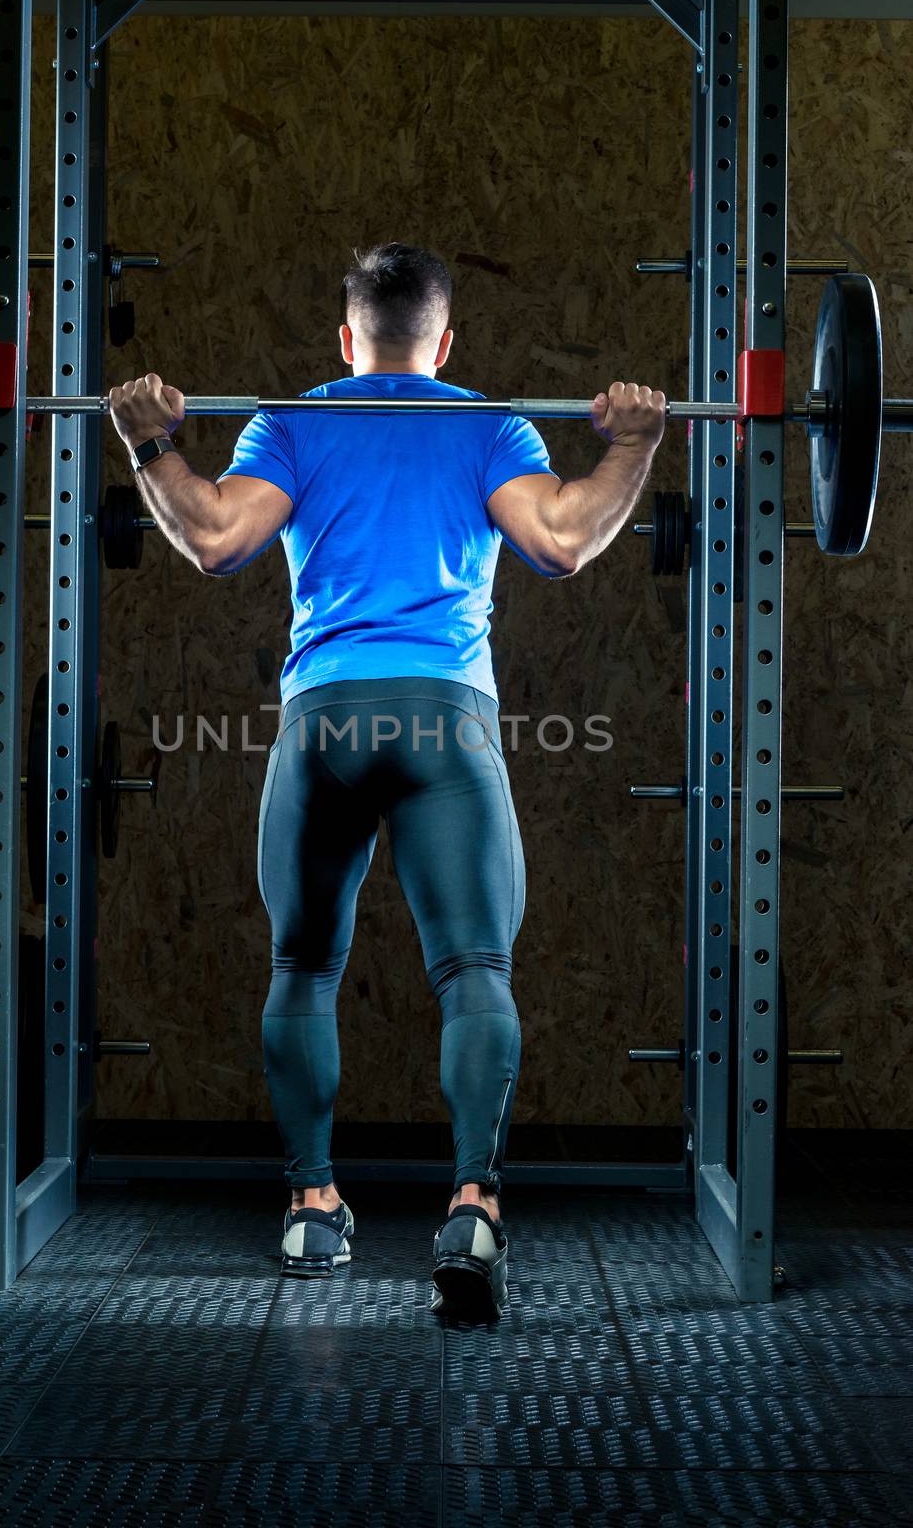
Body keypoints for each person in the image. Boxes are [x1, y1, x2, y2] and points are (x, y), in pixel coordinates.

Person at [109, 243, 666, 1320]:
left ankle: (314, 1207)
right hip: (444, 720)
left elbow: (218, 539)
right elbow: (560, 541)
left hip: (325, 721)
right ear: (445, 342)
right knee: (475, 972)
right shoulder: (487, 421)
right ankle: (471, 1207)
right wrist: (635, 444)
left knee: (303, 967)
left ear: (346, 338)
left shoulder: (294, 419)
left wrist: (150, 443)